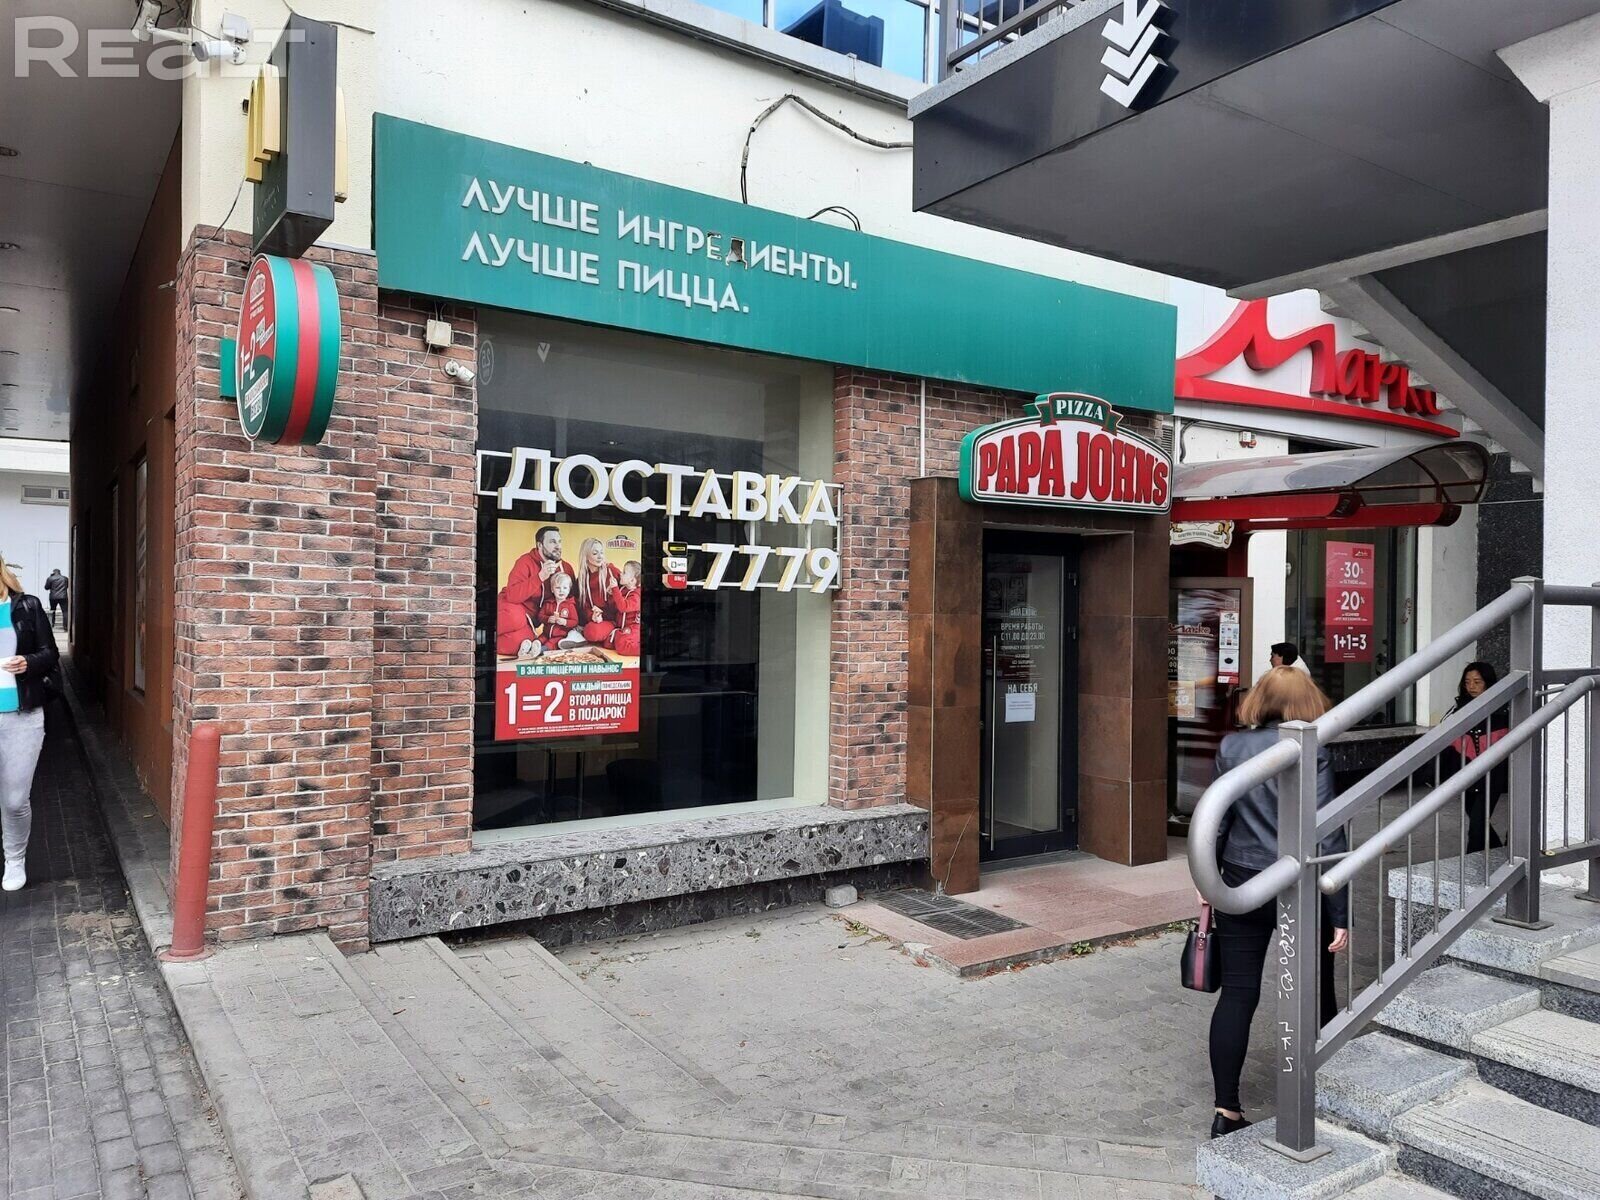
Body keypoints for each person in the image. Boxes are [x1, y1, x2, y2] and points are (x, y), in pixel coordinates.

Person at [1207, 667, 1349, 1139]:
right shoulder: (1315, 751)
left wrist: (1209, 882)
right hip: (1298, 885)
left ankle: (1226, 1112)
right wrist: (1340, 911)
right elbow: (1328, 831)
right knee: (1316, 989)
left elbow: (1219, 820)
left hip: (1240, 879)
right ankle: (1326, 1090)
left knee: (1238, 993)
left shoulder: (1232, 746)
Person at [0, 554, 60, 892]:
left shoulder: (27, 606)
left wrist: (28, 662)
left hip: (22, 716)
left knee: (14, 800)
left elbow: (50, 653)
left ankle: (14, 858)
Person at [1439, 661, 1508, 854]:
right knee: (1479, 824)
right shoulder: (1458, 707)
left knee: (1476, 827)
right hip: (1467, 771)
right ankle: (1500, 854)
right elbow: (1442, 731)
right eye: (1467, 682)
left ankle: (1470, 867)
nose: (1471, 686)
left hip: (1493, 773)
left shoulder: (1503, 708)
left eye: (1477, 682)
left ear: (1488, 682)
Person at [496, 525, 575, 656]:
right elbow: (512, 596)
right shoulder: (525, 561)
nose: (558, 546)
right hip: (512, 607)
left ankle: (487, 642)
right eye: (552, 542)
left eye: (559, 541)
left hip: (532, 621)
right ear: (540, 545)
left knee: (519, 643)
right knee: (514, 618)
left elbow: (572, 600)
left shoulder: (566, 568)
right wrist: (540, 576)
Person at [574, 537, 622, 647]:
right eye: (595, 553)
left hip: (614, 620)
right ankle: (608, 638)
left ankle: (614, 635)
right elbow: (583, 606)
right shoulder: (582, 579)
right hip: (597, 622)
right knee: (591, 630)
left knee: (592, 632)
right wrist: (592, 615)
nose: (600, 556)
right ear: (586, 557)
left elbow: (627, 593)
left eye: (601, 552)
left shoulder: (611, 571)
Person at [534, 571, 579, 653]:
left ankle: (542, 650)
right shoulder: (548, 603)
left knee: (551, 643)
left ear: (569, 590)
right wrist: (548, 619)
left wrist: (565, 622)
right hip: (546, 633)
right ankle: (532, 647)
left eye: (565, 588)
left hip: (561, 635)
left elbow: (575, 621)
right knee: (539, 639)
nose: (561, 591)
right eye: (558, 588)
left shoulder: (570, 605)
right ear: (552, 589)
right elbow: (540, 616)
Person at [606, 560, 643, 658]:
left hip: (633, 627)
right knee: (608, 644)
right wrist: (611, 595)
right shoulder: (623, 589)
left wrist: (615, 589)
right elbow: (614, 607)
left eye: (624, 572)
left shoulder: (637, 596)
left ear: (632, 581)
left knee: (622, 647)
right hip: (621, 626)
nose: (621, 574)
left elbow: (623, 607)